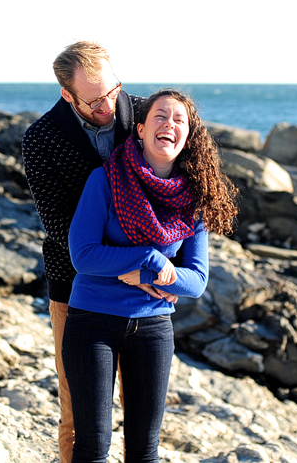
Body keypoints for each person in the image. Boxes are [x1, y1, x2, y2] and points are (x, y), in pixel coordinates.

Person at [62, 89, 238, 463]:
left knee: (145, 451)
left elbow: (196, 281)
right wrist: (151, 261)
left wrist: (145, 273)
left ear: (188, 137)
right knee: (93, 447)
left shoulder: (194, 198)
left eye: (179, 120)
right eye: (160, 116)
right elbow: (84, 256)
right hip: (92, 323)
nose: (169, 124)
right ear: (140, 129)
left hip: (154, 328)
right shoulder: (105, 180)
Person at [21, 41, 151, 463]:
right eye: (94, 101)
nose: (110, 106)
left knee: (142, 420)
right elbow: (55, 222)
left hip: (145, 291)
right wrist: (122, 264)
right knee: (77, 418)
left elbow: (183, 188)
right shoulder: (41, 138)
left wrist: (169, 266)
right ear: (67, 95)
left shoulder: (148, 114)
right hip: (74, 288)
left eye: (113, 92)